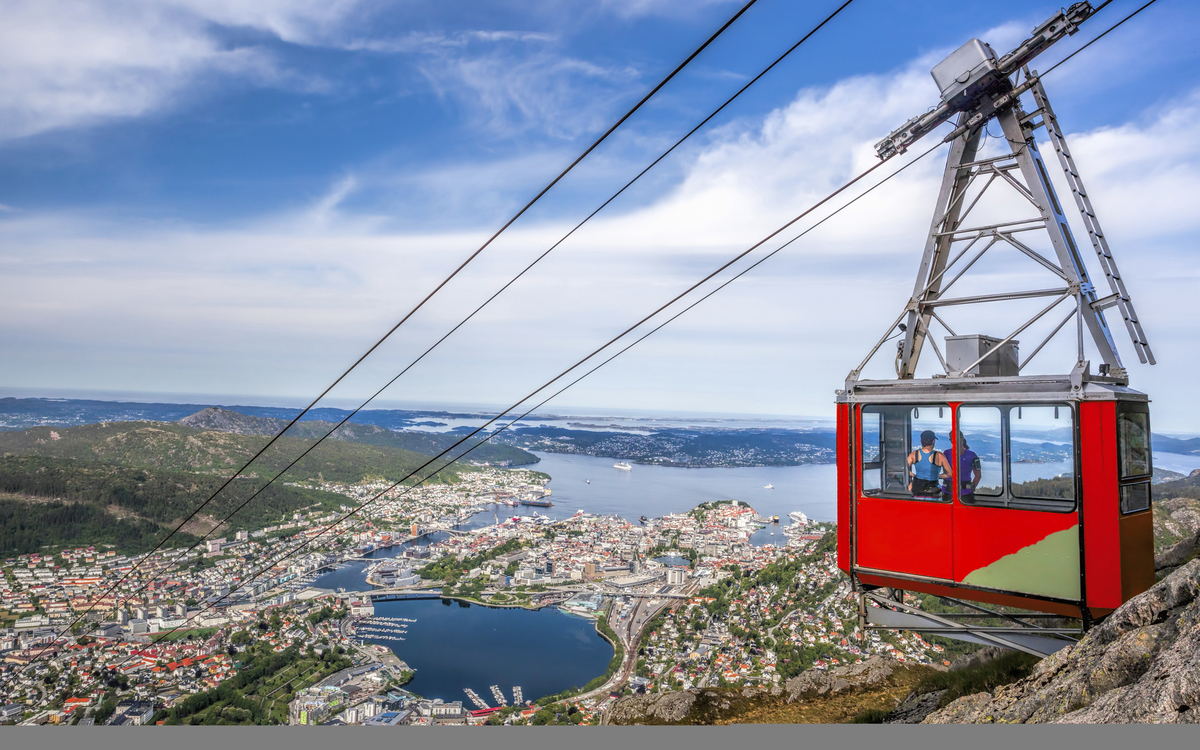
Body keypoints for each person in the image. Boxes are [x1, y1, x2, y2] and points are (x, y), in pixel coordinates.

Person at [908, 430, 951, 498]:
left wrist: (913, 475)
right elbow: (949, 474)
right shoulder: (939, 456)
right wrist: (935, 475)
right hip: (933, 492)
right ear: (933, 441)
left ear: (921, 441)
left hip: (917, 491)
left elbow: (903, 468)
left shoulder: (914, 454)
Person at [943, 430, 982, 500]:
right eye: (951, 439)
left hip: (965, 494)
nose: (953, 441)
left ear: (962, 438)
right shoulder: (946, 453)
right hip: (948, 492)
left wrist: (970, 488)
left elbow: (978, 475)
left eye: (955, 438)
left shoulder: (972, 455)